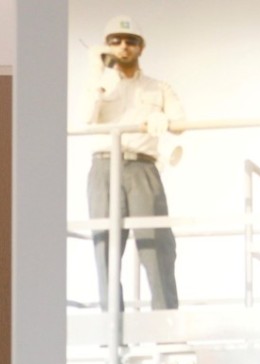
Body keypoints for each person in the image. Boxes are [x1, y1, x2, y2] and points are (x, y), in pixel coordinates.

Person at [86, 15, 185, 311]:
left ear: (141, 47)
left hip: (142, 167)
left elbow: (180, 123)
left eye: (130, 41)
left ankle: (166, 330)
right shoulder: (98, 85)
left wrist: (163, 119)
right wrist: (100, 73)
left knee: (155, 248)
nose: (123, 47)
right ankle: (112, 334)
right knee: (105, 250)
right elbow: (86, 117)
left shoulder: (158, 87)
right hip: (104, 167)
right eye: (114, 41)